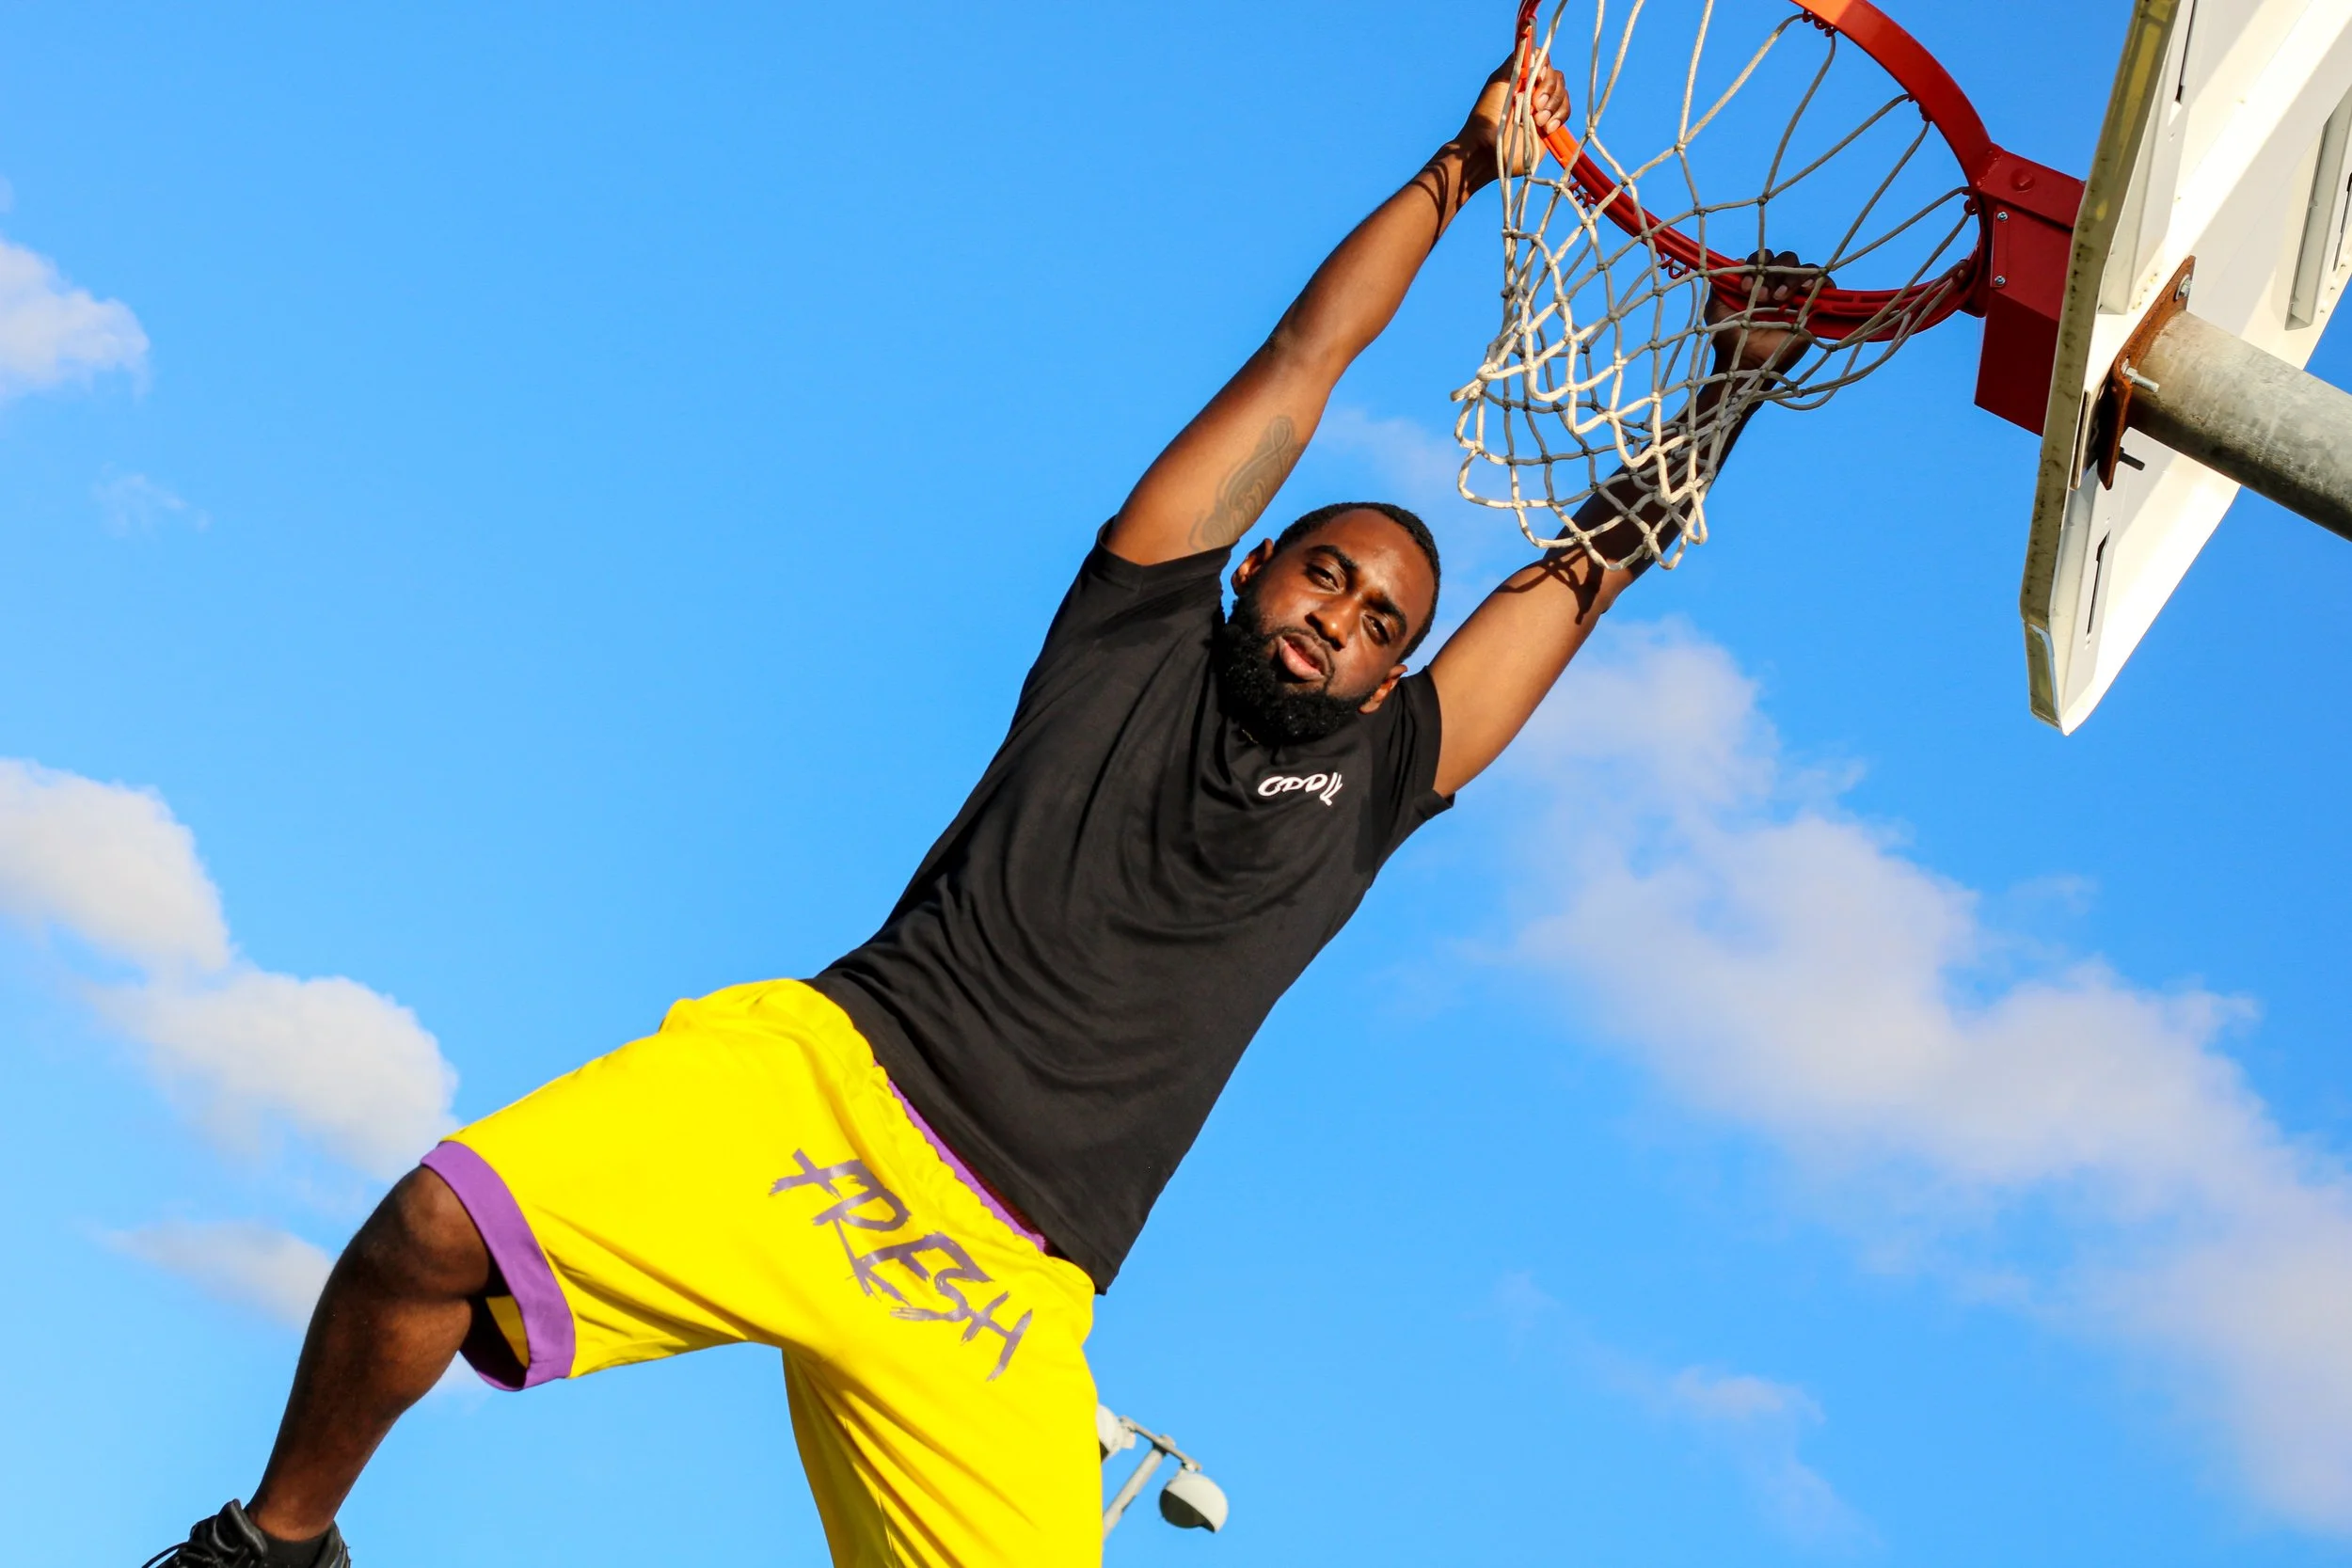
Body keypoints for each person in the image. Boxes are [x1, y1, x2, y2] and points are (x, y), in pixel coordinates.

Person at [145, 49, 1802, 1568]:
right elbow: (1306, 364)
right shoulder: (1138, 623)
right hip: (827, 1088)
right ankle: (272, 1549)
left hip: (1005, 1280)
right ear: (1251, 563)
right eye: (1324, 572)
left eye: (1384, 624)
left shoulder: (1375, 783)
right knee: (435, 1227)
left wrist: (1723, 391)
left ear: (1391, 684)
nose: (1342, 618)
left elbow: (1583, 575)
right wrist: (1463, 167)